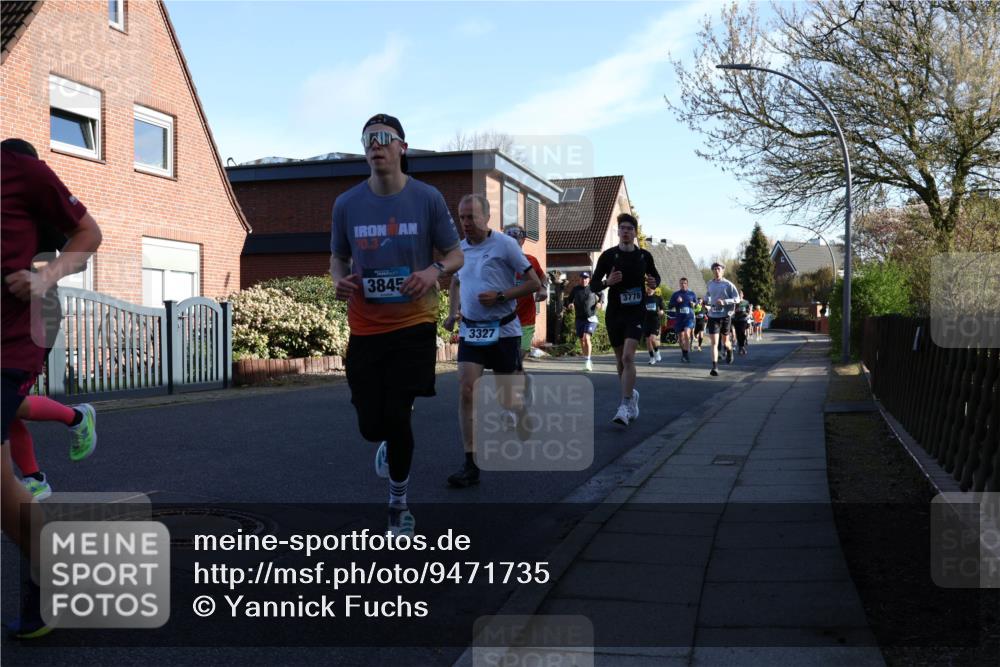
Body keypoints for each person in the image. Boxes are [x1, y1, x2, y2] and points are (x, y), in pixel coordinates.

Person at [331, 114, 463, 536]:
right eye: (369, 139)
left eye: (385, 139)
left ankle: (399, 504)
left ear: (402, 147)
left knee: (398, 412)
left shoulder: (427, 198)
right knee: (372, 425)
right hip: (366, 327)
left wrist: (432, 272)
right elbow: (337, 257)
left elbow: (456, 254)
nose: (376, 145)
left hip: (415, 323)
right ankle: (387, 440)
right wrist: (338, 280)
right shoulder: (346, 204)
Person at [2, 138, 103, 637]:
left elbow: (86, 234)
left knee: (14, 406)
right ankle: (32, 479)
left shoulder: (24, 176)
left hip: (22, 330)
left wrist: (44, 277)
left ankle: (74, 420)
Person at [444, 194, 540, 488]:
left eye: (471, 217)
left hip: (504, 330)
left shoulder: (505, 245)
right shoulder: (459, 249)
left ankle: (520, 409)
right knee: (467, 389)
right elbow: (456, 281)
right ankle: (470, 464)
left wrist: (500, 296)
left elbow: (533, 283)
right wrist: (452, 313)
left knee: (506, 397)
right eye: (461, 217)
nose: (466, 223)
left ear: (486, 218)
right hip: (472, 331)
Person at [590, 213, 660, 425]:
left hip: (636, 312)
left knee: (629, 357)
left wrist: (654, 282)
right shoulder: (608, 256)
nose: (626, 231)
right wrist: (607, 282)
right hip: (615, 313)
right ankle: (630, 397)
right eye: (623, 228)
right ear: (618, 232)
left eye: (630, 228)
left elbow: (656, 277)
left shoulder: (644, 257)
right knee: (620, 359)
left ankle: (625, 403)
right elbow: (594, 284)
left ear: (634, 232)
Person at [504, 225, 548, 367]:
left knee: (520, 354)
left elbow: (542, 277)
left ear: (522, 240)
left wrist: (543, 289)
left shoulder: (531, 261)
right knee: (509, 359)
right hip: (503, 317)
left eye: (516, 238)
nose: (512, 241)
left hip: (525, 318)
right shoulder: (498, 262)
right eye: (508, 238)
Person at [705, 262, 740, 377]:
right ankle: (714, 367)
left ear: (723, 271)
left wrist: (725, 302)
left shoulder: (728, 284)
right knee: (714, 343)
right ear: (713, 271)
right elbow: (708, 295)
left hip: (725, 316)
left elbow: (737, 299)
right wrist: (706, 301)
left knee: (725, 342)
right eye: (714, 269)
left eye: (719, 269)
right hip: (713, 316)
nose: (716, 271)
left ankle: (729, 350)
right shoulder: (710, 283)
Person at [565, 272, 601, 371]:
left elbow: (602, 296)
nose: (584, 280)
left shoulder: (593, 288)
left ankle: (588, 360)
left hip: (591, 318)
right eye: (582, 278)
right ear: (579, 279)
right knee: (582, 340)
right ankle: (586, 360)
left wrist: (599, 303)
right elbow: (569, 300)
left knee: (586, 338)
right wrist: (570, 304)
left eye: (586, 278)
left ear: (589, 280)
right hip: (579, 318)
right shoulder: (576, 289)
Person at [667, 277, 697, 363]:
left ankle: (686, 354)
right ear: (679, 284)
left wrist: (693, 304)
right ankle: (684, 353)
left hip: (689, 318)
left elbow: (697, 305)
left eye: (685, 283)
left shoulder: (692, 294)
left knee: (687, 333)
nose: (683, 285)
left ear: (687, 284)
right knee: (680, 339)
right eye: (681, 283)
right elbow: (669, 306)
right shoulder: (676, 294)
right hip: (679, 319)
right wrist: (677, 302)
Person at [642, 286, 665, 365]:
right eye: (647, 287)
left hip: (655, 321)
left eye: (651, 287)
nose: (649, 288)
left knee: (652, 339)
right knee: (648, 341)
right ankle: (652, 358)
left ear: (654, 289)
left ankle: (657, 351)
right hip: (646, 321)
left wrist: (661, 312)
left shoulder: (658, 298)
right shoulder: (643, 298)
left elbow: (662, 309)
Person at [732, 290, 752, 355]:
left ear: (743, 295)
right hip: (736, 319)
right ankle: (741, 348)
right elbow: (732, 310)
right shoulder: (735, 302)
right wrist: (735, 310)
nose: (740, 295)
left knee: (742, 333)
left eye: (741, 294)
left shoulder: (746, 302)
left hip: (743, 319)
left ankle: (742, 346)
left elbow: (749, 310)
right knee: (738, 334)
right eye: (739, 294)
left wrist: (748, 314)